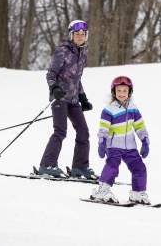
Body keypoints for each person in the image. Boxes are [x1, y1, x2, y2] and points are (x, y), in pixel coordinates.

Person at [38, 19, 97, 179]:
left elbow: (76, 79)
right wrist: (54, 88)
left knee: (83, 131)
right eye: (77, 34)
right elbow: (51, 74)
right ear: (71, 35)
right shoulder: (62, 51)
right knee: (60, 131)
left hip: (73, 99)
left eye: (82, 34)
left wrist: (83, 97)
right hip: (59, 98)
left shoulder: (83, 53)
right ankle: (47, 165)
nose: (80, 36)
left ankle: (80, 167)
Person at [91, 76, 151, 204]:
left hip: (130, 146)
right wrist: (102, 142)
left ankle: (137, 193)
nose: (122, 93)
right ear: (114, 92)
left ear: (129, 92)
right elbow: (103, 128)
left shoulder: (133, 108)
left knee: (139, 168)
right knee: (113, 166)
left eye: (125, 90)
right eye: (119, 91)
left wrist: (145, 140)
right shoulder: (108, 110)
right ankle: (102, 191)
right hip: (113, 146)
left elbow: (139, 125)